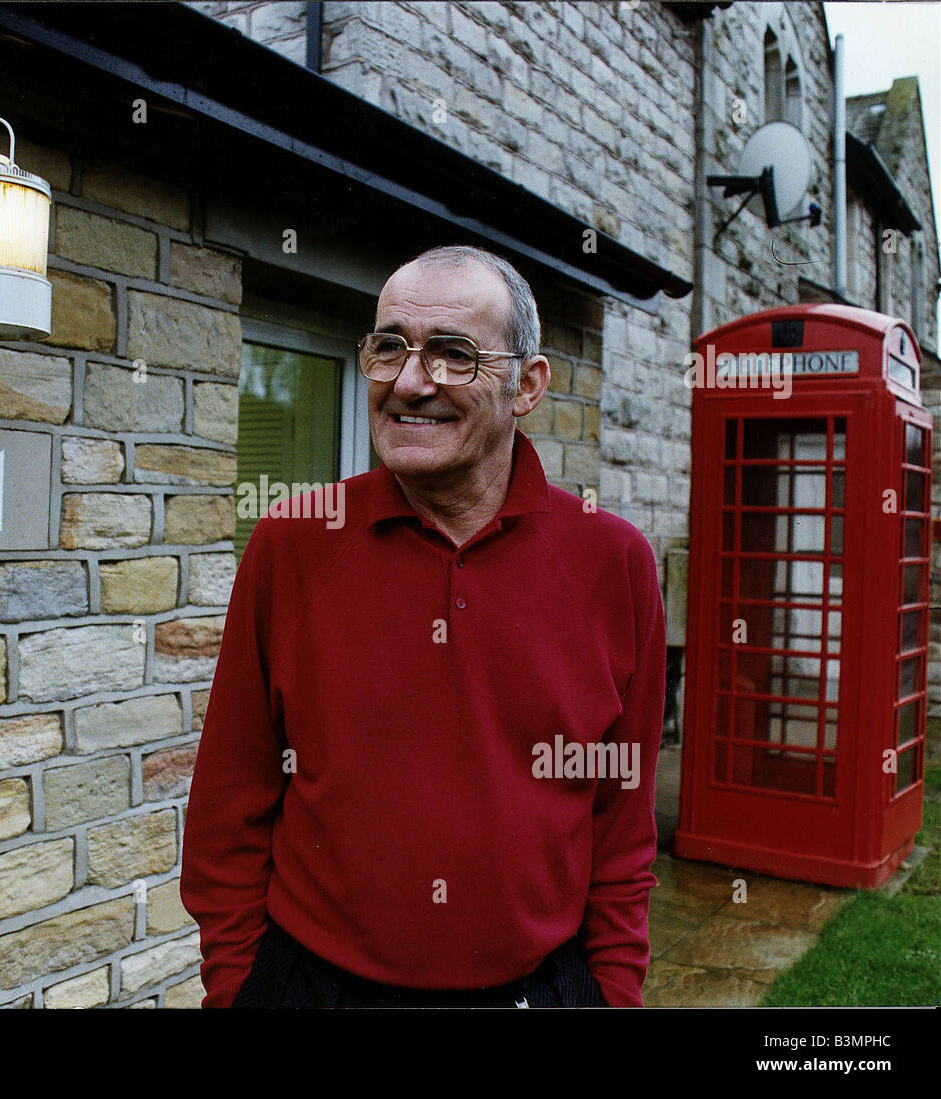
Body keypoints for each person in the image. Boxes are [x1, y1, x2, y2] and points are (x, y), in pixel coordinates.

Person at [180, 244, 666, 1008]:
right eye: (390, 347)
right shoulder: (294, 541)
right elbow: (229, 801)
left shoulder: (615, 562)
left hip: (539, 990)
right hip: (314, 988)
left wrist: (611, 993)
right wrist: (237, 986)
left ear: (526, 385)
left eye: (453, 355)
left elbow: (621, 824)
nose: (410, 382)